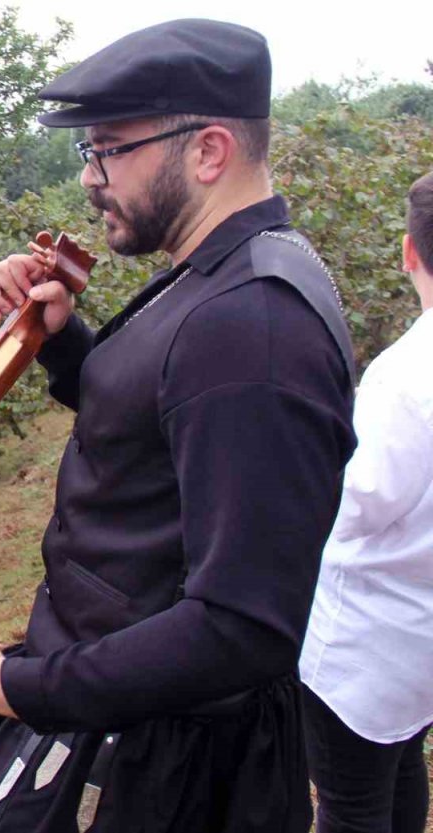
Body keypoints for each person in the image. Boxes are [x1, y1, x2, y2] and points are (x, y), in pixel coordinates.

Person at [0, 19, 358, 833]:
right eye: (88, 152)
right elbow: (167, 425)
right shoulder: (216, 280)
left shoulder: (253, 324)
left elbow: (242, 627)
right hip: (118, 723)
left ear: (208, 151)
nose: (91, 179)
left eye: (109, 150)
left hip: (162, 772)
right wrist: (63, 336)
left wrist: (8, 684)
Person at [299, 171, 433, 833]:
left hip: (363, 654)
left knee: (352, 806)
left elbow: (349, 510)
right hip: (420, 643)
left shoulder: (406, 378)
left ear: (409, 252)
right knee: (403, 771)